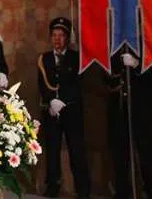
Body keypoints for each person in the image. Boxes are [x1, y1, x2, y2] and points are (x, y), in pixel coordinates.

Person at [37, 17, 90, 198]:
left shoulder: (76, 58)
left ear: (67, 38)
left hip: (72, 110)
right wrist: (51, 101)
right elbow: (42, 84)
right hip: (51, 111)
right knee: (52, 150)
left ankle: (83, 188)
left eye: (61, 35)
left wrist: (63, 101)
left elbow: (78, 83)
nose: (57, 39)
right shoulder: (43, 59)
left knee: (77, 150)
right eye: (54, 35)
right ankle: (53, 185)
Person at [107, 50, 152, 199]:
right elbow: (107, 73)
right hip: (119, 104)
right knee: (120, 150)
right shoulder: (116, 44)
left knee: (146, 148)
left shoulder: (147, 40)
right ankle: (122, 190)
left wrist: (137, 65)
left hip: (142, 105)